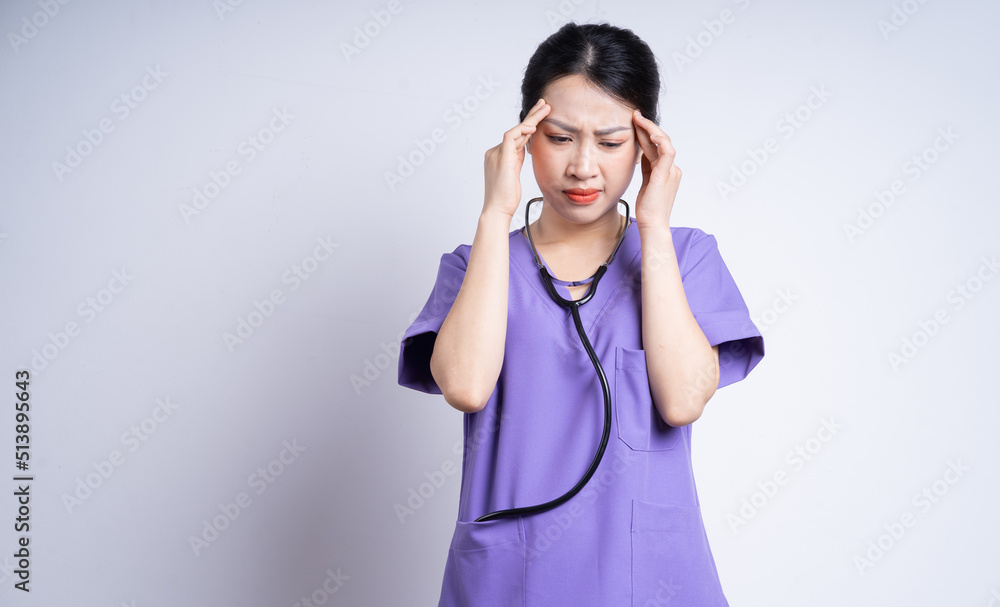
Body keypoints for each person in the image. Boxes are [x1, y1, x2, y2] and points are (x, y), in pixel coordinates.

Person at [397, 21, 764, 606]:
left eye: (612, 142)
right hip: (512, 580)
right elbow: (465, 387)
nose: (584, 167)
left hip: (648, 578)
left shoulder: (686, 256)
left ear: (647, 146)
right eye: (561, 138)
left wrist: (654, 228)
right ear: (523, 139)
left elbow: (682, 400)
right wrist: (495, 214)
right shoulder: (476, 265)